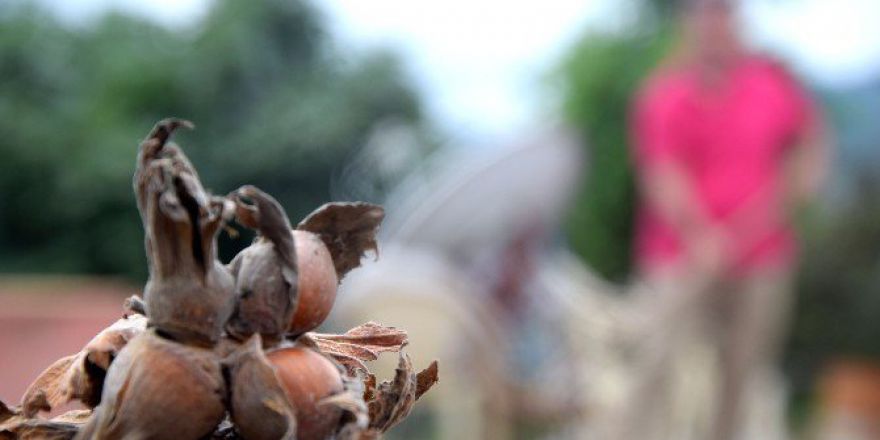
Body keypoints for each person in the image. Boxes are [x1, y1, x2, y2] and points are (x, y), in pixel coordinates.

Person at [616, 0, 830, 439]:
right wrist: (703, 236)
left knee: (742, 373)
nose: (715, 22)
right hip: (679, 257)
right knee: (654, 361)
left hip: (763, 258)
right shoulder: (664, 93)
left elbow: (807, 149)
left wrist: (779, 203)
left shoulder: (773, 86)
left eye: (724, 11)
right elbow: (661, 173)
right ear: (688, 21)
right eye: (706, 12)